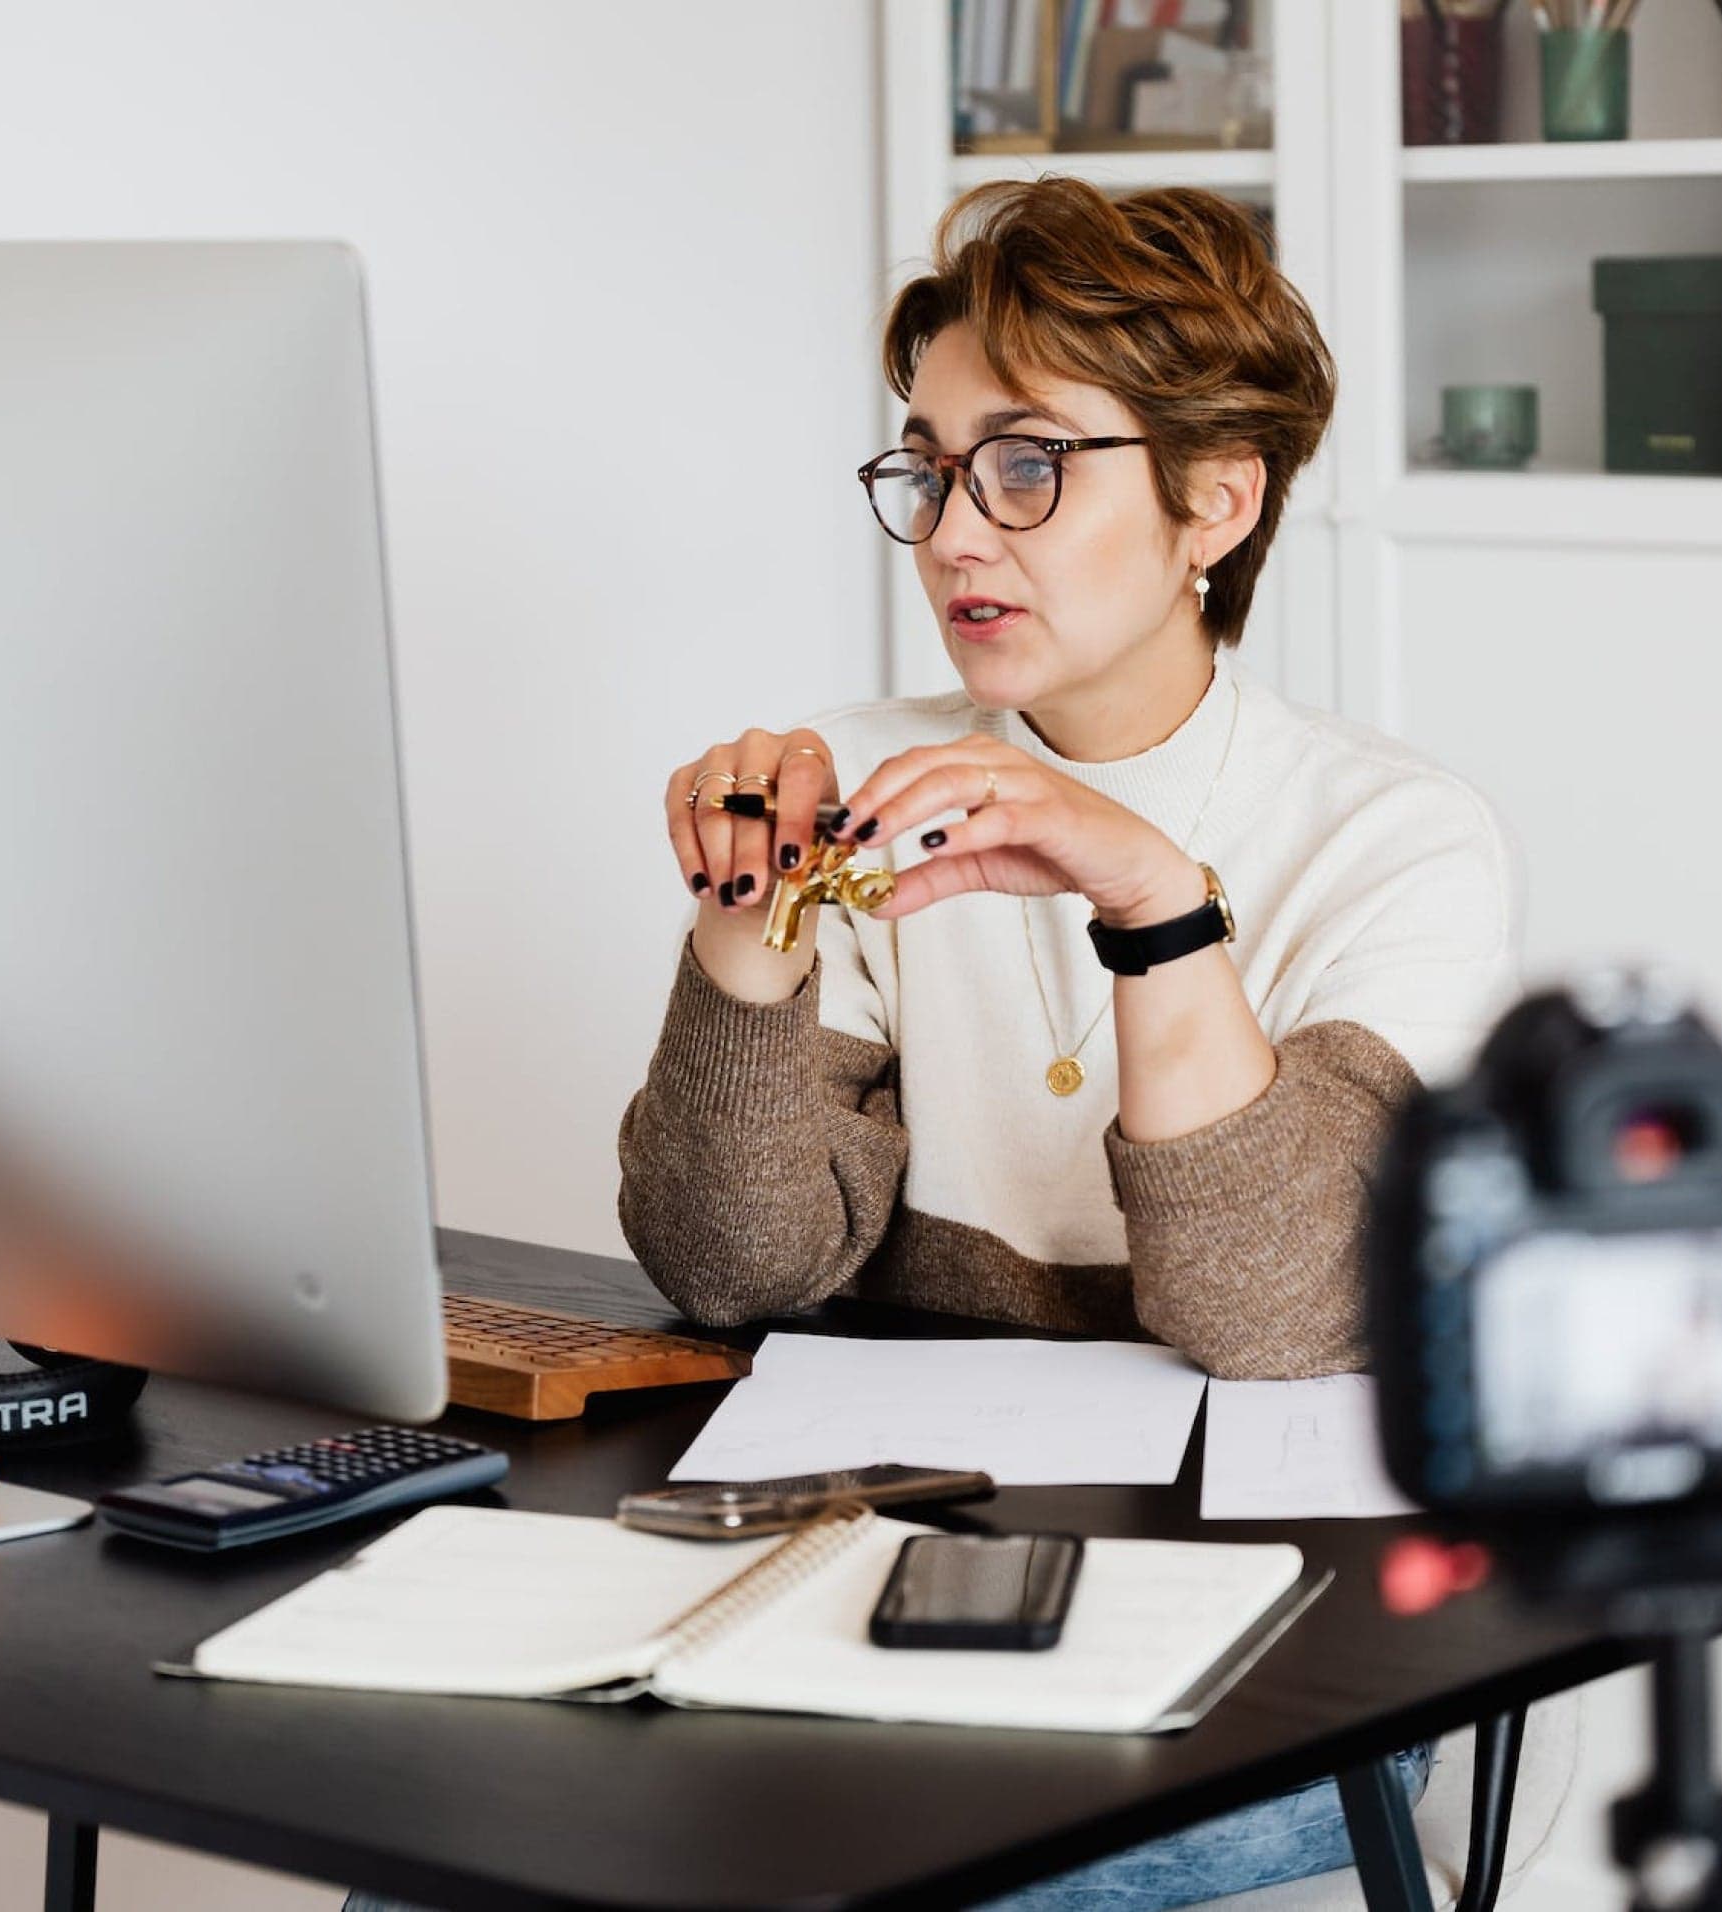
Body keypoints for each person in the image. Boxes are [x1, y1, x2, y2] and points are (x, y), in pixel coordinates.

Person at [610, 177, 1523, 1908]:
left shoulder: (1398, 838)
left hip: (1288, 1652)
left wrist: (1152, 903)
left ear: (1214, 503)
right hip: (899, 1587)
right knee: (457, 1847)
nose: (959, 533)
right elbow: (733, 1265)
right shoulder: (864, 782)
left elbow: (1272, 1316)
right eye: (931, 467)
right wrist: (747, 929)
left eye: (1027, 464)